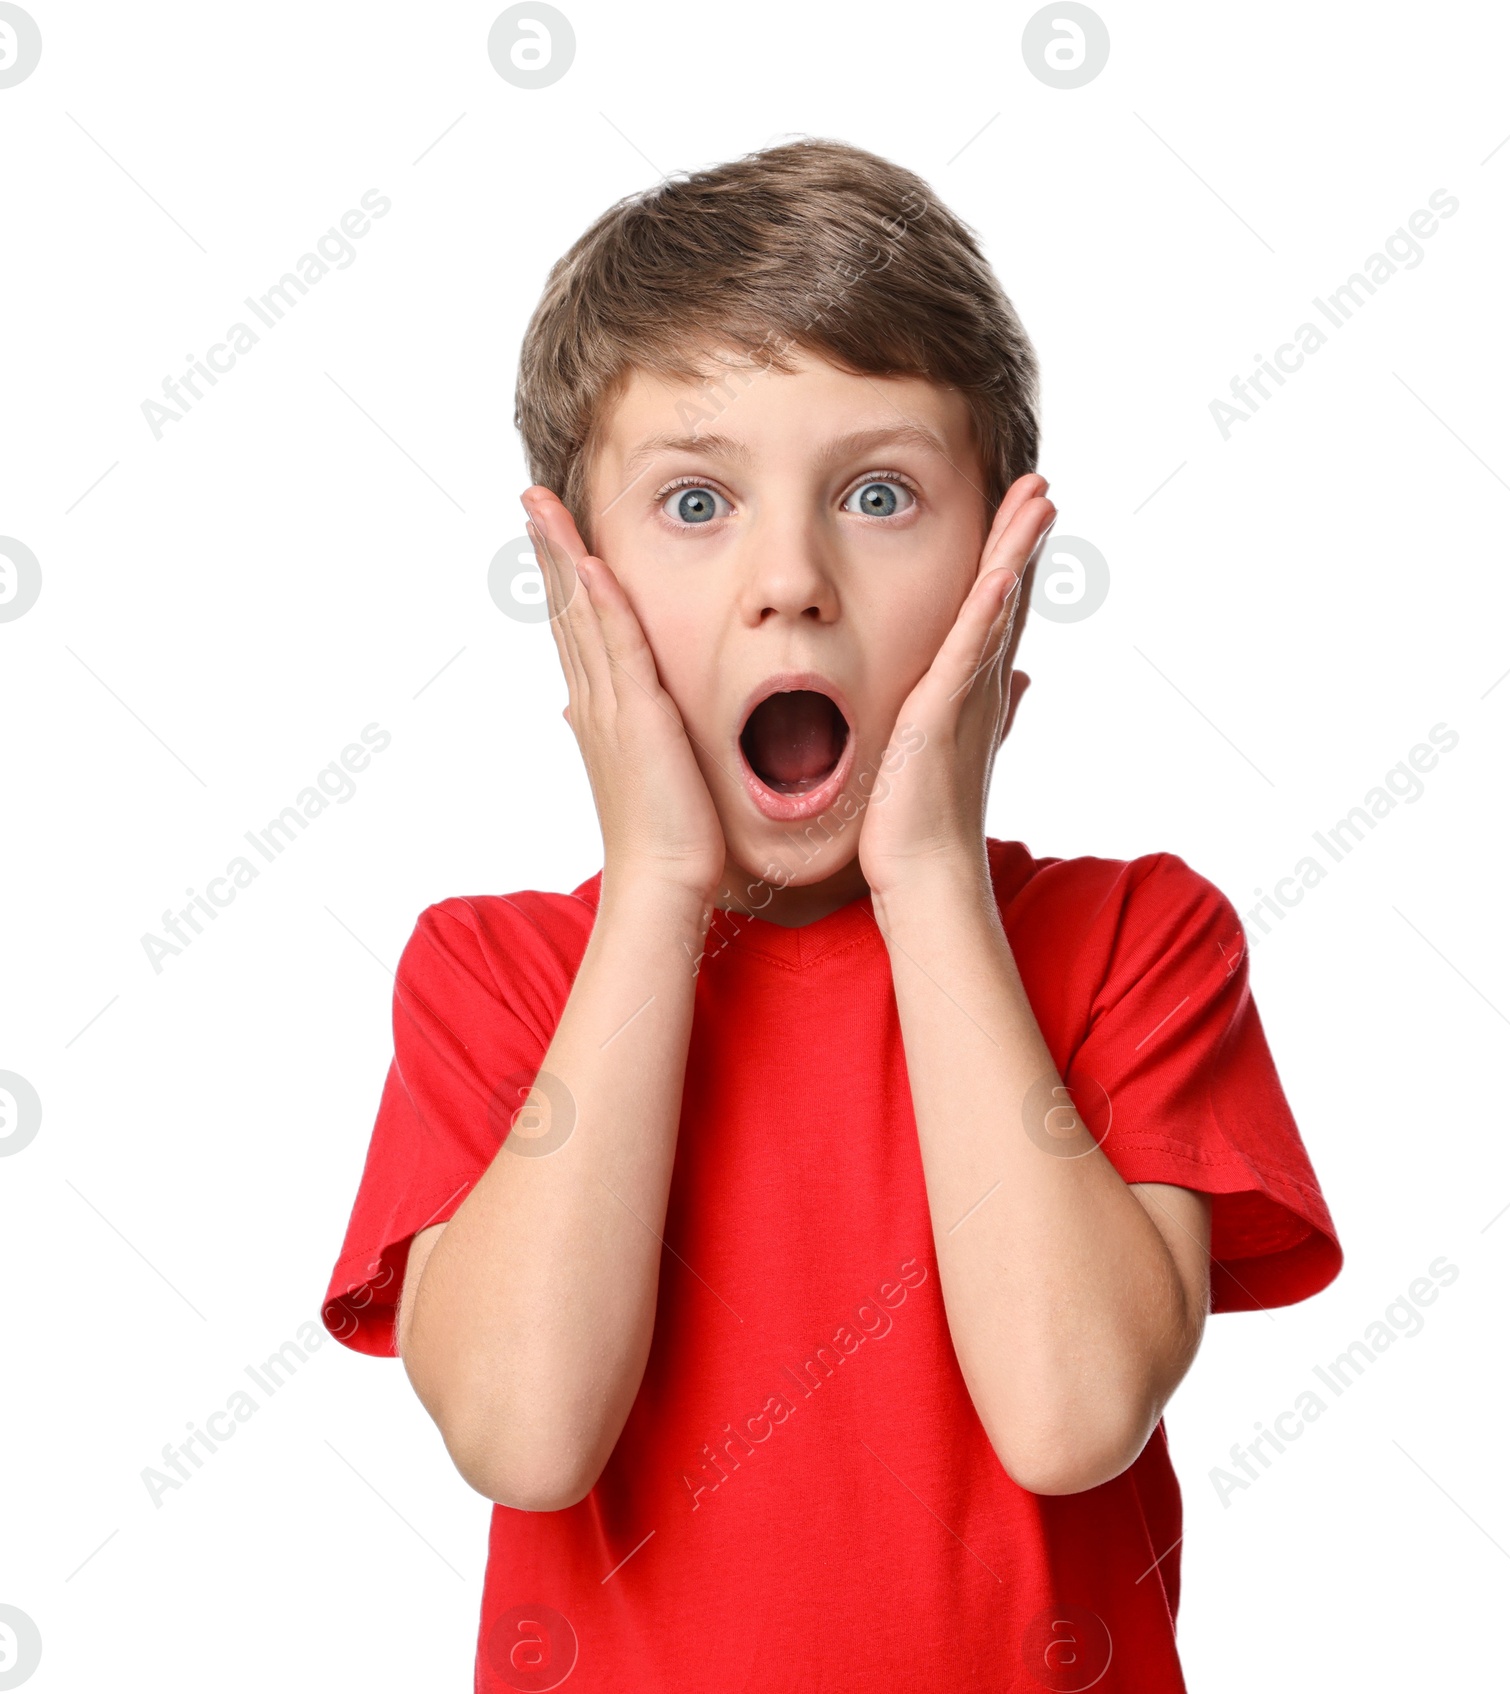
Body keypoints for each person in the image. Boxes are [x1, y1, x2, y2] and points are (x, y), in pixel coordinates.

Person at [322, 136, 1341, 1693]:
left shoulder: (1140, 942)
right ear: (575, 586)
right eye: (694, 501)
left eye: (877, 494)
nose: (789, 580)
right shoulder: (499, 976)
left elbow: (1072, 1411)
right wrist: (657, 886)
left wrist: (928, 872)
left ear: (1001, 573)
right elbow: (526, 1431)